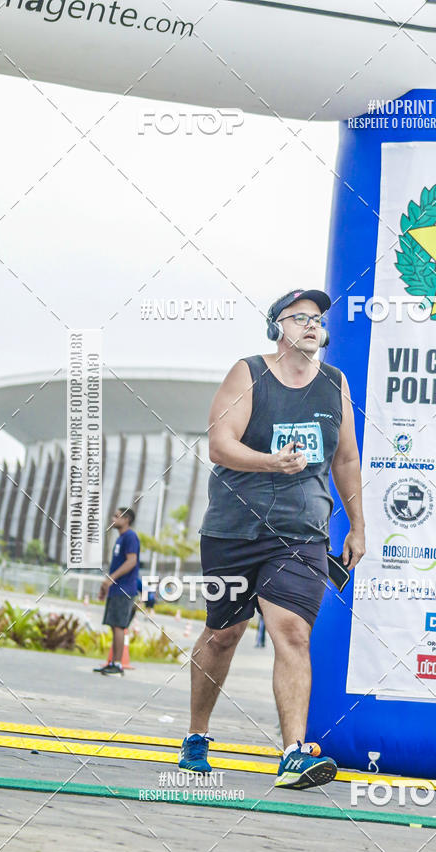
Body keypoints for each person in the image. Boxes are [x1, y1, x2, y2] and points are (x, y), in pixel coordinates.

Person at [179, 288, 366, 789]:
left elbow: (345, 459)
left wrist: (358, 526)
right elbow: (220, 444)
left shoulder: (335, 383)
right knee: (224, 633)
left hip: (302, 533)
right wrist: (270, 461)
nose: (311, 324)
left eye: (317, 318)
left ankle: (292, 754)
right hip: (234, 529)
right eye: (298, 317)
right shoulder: (249, 372)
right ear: (276, 327)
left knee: (293, 632)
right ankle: (197, 734)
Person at [93, 507, 140, 676]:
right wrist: (106, 586)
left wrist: (111, 578)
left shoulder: (130, 537)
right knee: (114, 626)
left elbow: (131, 562)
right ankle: (112, 662)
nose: (113, 518)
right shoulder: (120, 539)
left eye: (116, 516)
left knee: (119, 626)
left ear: (126, 519)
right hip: (116, 589)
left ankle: (118, 665)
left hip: (124, 589)